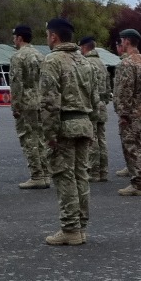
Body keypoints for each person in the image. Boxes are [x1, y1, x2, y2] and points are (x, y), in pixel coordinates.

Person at [40, 18, 94, 245]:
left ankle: (70, 228)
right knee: (81, 175)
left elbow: (49, 101)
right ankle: (80, 227)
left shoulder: (52, 61)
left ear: (53, 36)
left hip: (64, 124)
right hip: (84, 122)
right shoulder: (85, 61)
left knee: (64, 176)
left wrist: (49, 134)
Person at [114, 28, 141, 196]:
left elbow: (125, 90)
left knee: (132, 147)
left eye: (122, 41)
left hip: (133, 112)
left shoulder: (127, 63)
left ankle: (138, 183)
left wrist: (123, 113)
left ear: (127, 41)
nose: (121, 44)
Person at [10, 25, 50, 189]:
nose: (13, 40)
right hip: (40, 100)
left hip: (26, 101)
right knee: (41, 137)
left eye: (14, 37)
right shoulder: (41, 56)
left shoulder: (18, 57)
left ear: (19, 38)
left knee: (29, 138)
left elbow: (16, 83)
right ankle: (45, 172)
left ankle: (37, 175)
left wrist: (16, 105)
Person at [80, 36, 111, 183]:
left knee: (91, 139)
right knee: (102, 139)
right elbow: (108, 88)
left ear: (84, 47)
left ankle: (94, 171)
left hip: (91, 105)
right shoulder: (102, 64)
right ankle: (103, 171)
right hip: (102, 105)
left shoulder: (86, 63)